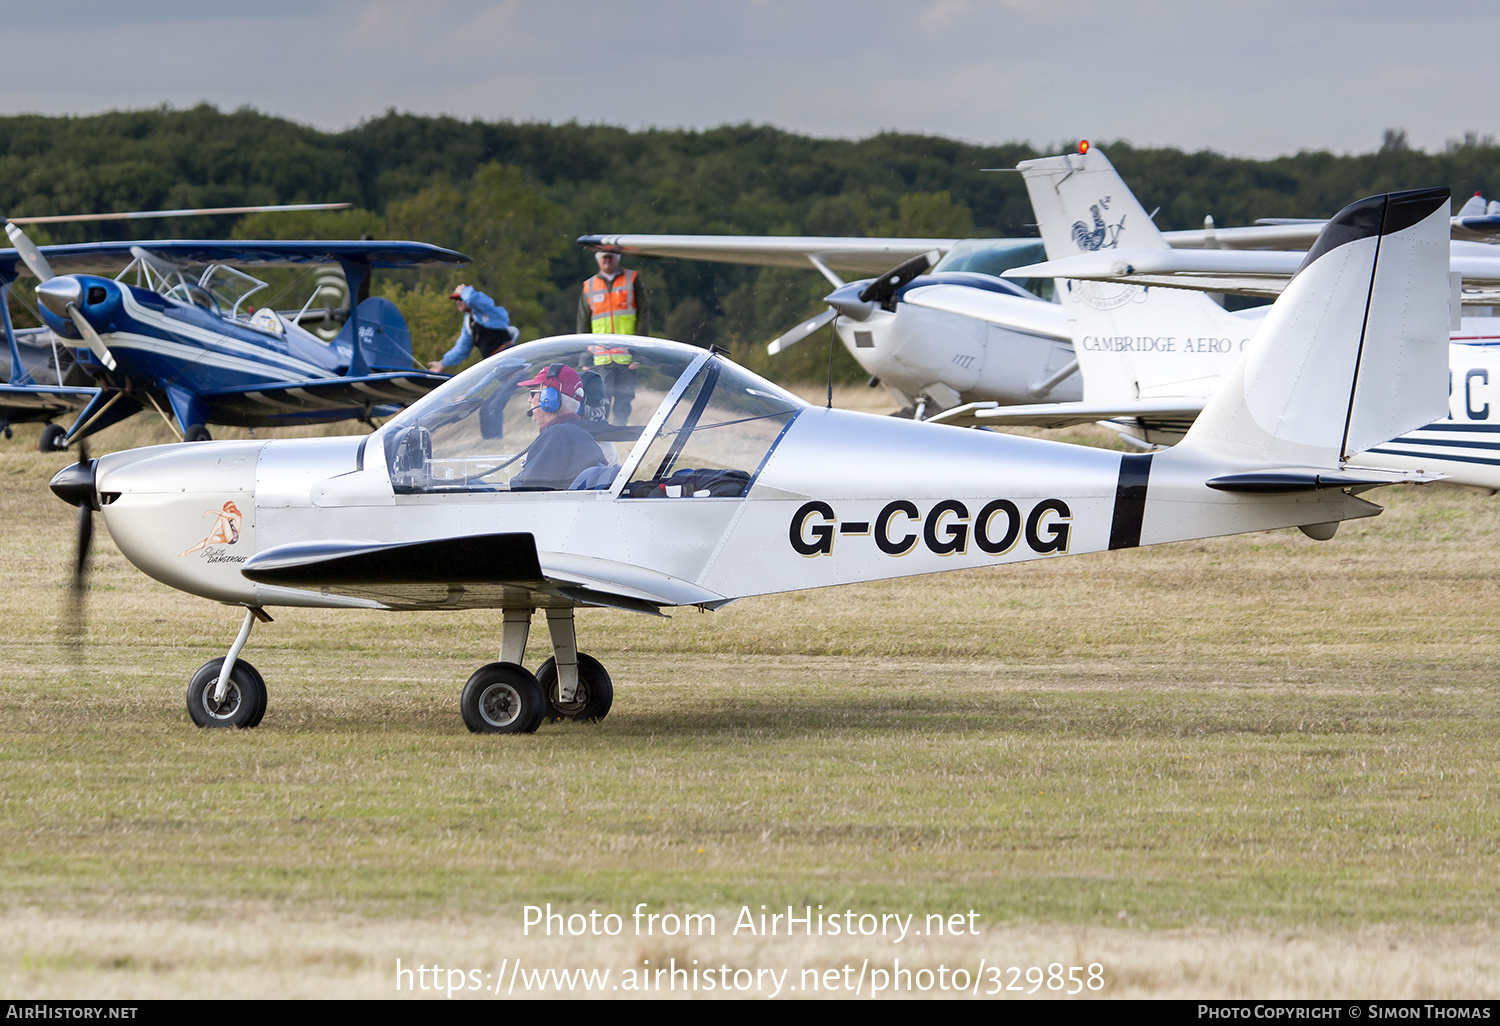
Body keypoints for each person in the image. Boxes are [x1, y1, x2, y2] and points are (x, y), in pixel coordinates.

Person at [577, 248, 648, 424]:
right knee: (600, 399)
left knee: (624, 400)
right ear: (598, 259)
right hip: (601, 359)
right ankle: (603, 433)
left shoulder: (632, 280)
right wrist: (584, 357)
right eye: (603, 257)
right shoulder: (590, 285)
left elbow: (644, 316)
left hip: (627, 357)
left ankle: (620, 433)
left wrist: (638, 352)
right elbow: (582, 323)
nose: (607, 260)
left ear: (618, 258)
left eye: (610, 257)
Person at [508, 364, 607, 491]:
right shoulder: (575, 432)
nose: (529, 399)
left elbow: (526, 492)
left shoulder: (558, 434)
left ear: (549, 399)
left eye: (533, 393)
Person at [427, 284, 518, 373]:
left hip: (510, 359)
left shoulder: (488, 311)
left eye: (460, 298)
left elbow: (472, 299)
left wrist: (464, 290)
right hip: (496, 364)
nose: (457, 302)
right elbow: (461, 349)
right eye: (456, 299)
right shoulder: (468, 322)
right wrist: (442, 363)